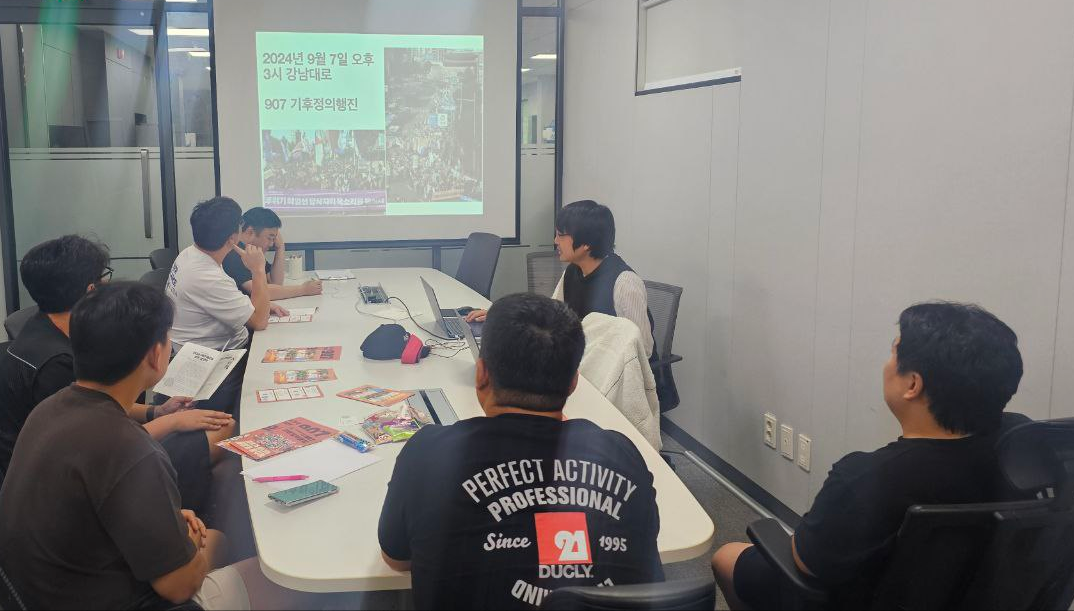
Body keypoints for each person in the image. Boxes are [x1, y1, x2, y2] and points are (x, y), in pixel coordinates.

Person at [0, 282, 313, 610]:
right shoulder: (131, 448)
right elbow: (179, 587)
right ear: (155, 355)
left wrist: (166, 524)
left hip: (41, 590)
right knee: (269, 570)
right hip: (110, 600)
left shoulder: (49, 409)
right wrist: (193, 542)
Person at [711, 302, 1024, 609]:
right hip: (975, 593)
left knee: (727, 556)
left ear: (913, 384)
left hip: (861, 598)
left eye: (894, 352)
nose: (887, 365)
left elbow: (807, 565)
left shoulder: (867, 476)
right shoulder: (1024, 450)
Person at [378, 293, 663, 609]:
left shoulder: (427, 452)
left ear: (481, 374)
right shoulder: (622, 453)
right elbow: (641, 553)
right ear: (573, 382)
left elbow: (397, 559)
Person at [0, 235, 234, 515]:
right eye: (105, 277)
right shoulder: (57, 365)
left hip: (85, 458)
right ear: (91, 290)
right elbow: (97, 446)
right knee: (221, 439)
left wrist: (156, 411)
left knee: (221, 456)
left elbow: (100, 406)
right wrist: (172, 422)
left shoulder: (48, 328)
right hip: (71, 488)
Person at [466, 200, 673, 408]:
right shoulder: (573, 271)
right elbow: (551, 313)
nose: (555, 241)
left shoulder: (625, 282)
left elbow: (643, 350)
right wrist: (503, 315)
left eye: (560, 235)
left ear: (586, 243)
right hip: (585, 371)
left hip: (617, 385)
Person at [167, 197, 286, 415]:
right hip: (216, 361)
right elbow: (259, 321)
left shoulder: (191, 254)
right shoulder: (206, 276)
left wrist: (257, 304)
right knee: (280, 381)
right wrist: (258, 270)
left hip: (206, 350)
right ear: (232, 238)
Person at [222, 206, 322, 299]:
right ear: (250, 232)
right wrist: (303, 289)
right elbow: (261, 292)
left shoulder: (251, 251)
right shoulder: (233, 254)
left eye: (274, 239)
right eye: (269, 238)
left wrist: (280, 248)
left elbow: (275, 282)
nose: (271, 244)